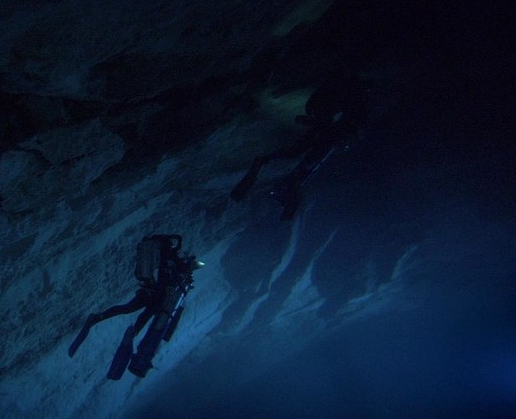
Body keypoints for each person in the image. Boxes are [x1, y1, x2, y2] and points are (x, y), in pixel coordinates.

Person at [68, 234, 203, 379]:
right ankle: (127, 331)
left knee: (129, 309)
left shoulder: (172, 265)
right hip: (155, 296)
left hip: (151, 294)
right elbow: (168, 281)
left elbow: (168, 278)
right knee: (138, 313)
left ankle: (99, 318)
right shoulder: (173, 266)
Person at [230, 74, 369, 210]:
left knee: (305, 154)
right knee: (304, 154)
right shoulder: (336, 101)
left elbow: (334, 126)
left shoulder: (341, 104)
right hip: (324, 129)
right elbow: (324, 122)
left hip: (325, 129)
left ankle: (285, 185)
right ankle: (284, 185)